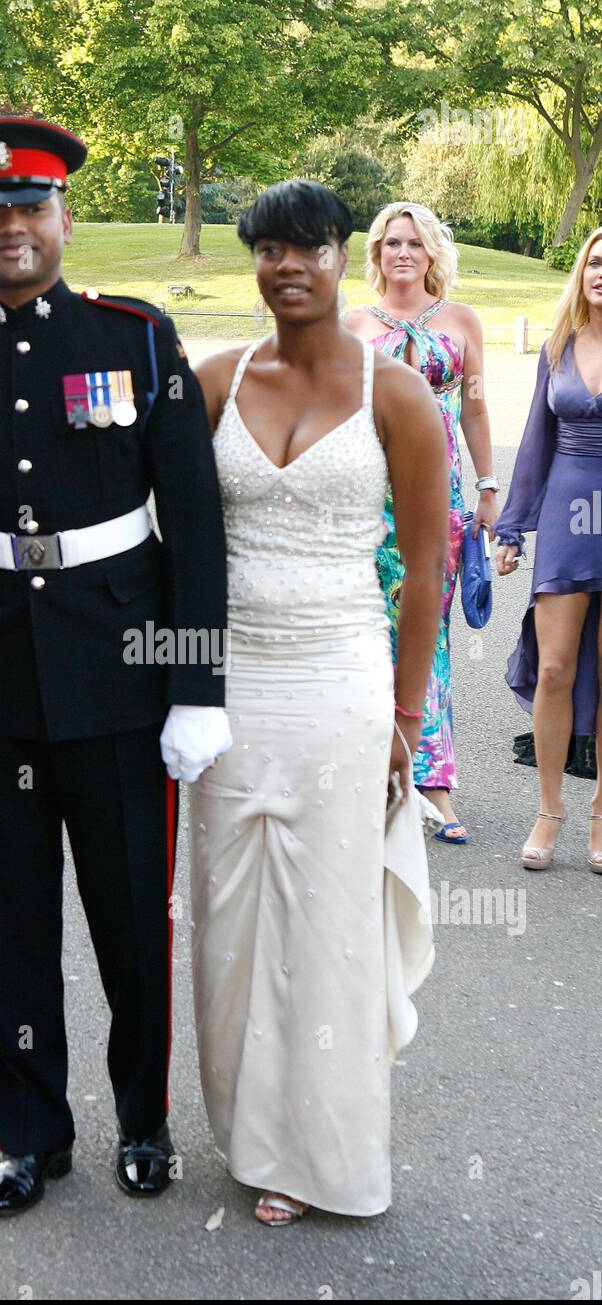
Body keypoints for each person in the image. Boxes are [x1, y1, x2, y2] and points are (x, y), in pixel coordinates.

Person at [0, 115, 231, 1216]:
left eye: (29, 209)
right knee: (11, 924)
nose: (11, 229)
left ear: (63, 217)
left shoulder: (138, 338)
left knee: (128, 919)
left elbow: (196, 527)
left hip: (123, 678)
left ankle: (145, 1120)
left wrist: (195, 683)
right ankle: (32, 1134)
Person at [189, 179, 447, 1225]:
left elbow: (423, 572)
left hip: (342, 686)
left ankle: (318, 1151)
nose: (286, 265)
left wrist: (403, 716)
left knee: (322, 927)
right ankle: (250, 1133)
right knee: (229, 923)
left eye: (308, 246)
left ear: (342, 256)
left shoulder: (397, 394)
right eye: (268, 250)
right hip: (229, 694)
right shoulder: (210, 380)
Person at [346, 202, 499, 844]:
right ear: (377, 253)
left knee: (428, 633)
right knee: (369, 631)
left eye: (413, 243)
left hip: (439, 497)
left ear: (431, 252)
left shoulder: (461, 321)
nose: (402, 253)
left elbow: (476, 410)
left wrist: (489, 488)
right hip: (370, 498)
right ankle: (365, 776)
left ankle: (432, 783)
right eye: (390, 244)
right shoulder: (352, 323)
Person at [495, 226, 602, 871]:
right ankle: (550, 808)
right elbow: (535, 439)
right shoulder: (558, 345)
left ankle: (601, 816)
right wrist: (511, 528)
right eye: (596, 262)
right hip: (567, 511)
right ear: (582, 272)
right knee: (557, 667)